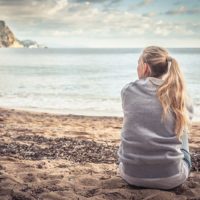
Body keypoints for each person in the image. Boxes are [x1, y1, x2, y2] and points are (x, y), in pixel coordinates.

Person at [117, 46, 194, 190]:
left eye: (138, 64)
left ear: (145, 67)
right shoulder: (180, 96)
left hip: (131, 175)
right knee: (182, 128)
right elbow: (187, 120)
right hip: (172, 178)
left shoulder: (128, 91)